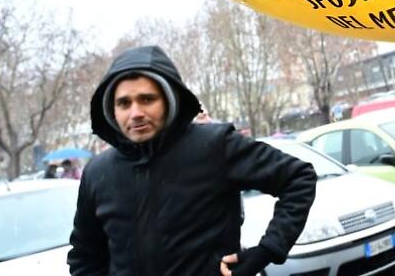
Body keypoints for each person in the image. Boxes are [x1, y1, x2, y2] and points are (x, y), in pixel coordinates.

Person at [68, 45, 317, 276]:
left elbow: (298, 178)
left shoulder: (214, 145)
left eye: (147, 99)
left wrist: (266, 251)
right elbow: (84, 257)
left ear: (169, 100)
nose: (136, 113)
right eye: (124, 103)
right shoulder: (98, 173)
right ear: (112, 110)